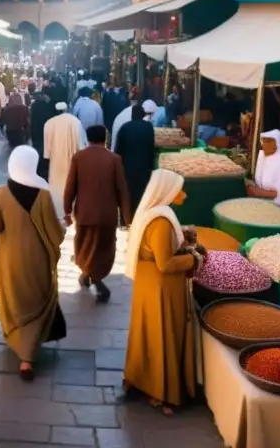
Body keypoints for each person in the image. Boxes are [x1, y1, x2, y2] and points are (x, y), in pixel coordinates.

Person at [0, 146, 67, 381]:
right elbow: (57, 235)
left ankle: (21, 348)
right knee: (37, 303)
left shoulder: (0, 193)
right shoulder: (43, 193)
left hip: (10, 262)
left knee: (15, 301)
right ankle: (27, 358)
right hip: (38, 262)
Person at [123, 169, 197, 414]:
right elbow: (165, 264)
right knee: (162, 335)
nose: (184, 195)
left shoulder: (153, 214)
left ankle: (139, 379)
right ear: (168, 192)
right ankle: (161, 391)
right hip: (161, 288)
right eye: (179, 190)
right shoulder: (162, 222)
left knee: (145, 334)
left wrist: (183, 238)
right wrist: (193, 260)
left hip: (147, 284)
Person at [64, 125, 132, 303]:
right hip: (107, 215)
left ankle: (91, 277)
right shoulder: (114, 159)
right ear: (105, 138)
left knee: (84, 246)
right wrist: (127, 217)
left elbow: (70, 187)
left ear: (88, 137)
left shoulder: (79, 157)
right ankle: (94, 278)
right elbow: (122, 190)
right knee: (103, 249)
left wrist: (67, 210)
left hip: (85, 213)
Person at [43, 102, 87, 218]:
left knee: (57, 189)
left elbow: (47, 151)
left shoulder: (49, 123)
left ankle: (58, 214)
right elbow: (82, 145)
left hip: (55, 164)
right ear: (66, 109)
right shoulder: (75, 122)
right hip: (73, 162)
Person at [114, 103, 157, 212]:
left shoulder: (124, 128)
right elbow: (151, 147)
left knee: (128, 196)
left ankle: (127, 221)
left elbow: (118, 151)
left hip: (128, 169)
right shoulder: (149, 127)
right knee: (142, 196)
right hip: (144, 168)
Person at [246, 129, 280, 208]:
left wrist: (260, 193)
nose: (264, 145)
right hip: (260, 204)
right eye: (264, 142)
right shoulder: (264, 158)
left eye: (268, 142)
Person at [29, 85, 55, 178]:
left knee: (38, 151)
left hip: (36, 132)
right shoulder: (46, 106)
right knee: (44, 151)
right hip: (44, 132)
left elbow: (32, 120)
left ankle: (38, 170)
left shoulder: (35, 106)